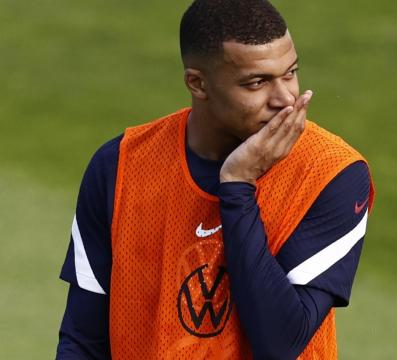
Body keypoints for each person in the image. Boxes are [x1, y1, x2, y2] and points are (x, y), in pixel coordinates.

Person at [56, 0, 374, 359]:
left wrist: (237, 186)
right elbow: (83, 340)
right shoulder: (119, 167)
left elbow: (280, 342)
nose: (286, 99)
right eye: (257, 82)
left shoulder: (331, 173)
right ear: (198, 83)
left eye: (290, 73)